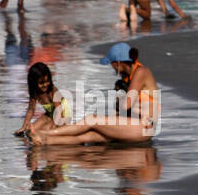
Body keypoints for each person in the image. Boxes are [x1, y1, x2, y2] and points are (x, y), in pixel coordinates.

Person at [29, 43, 159, 146]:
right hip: (134, 125)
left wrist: (119, 99)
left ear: (118, 63)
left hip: (144, 127)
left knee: (92, 119)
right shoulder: (128, 78)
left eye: (112, 64)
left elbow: (126, 105)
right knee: (89, 135)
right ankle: (44, 141)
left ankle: (46, 133)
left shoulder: (141, 72)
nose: (112, 68)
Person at [15, 61, 71, 137]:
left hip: (63, 116)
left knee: (44, 131)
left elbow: (59, 111)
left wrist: (54, 127)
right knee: (29, 131)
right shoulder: (35, 92)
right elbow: (31, 110)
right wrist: (24, 127)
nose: (45, 85)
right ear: (34, 83)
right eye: (41, 83)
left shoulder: (52, 91)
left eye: (47, 81)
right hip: (49, 115)